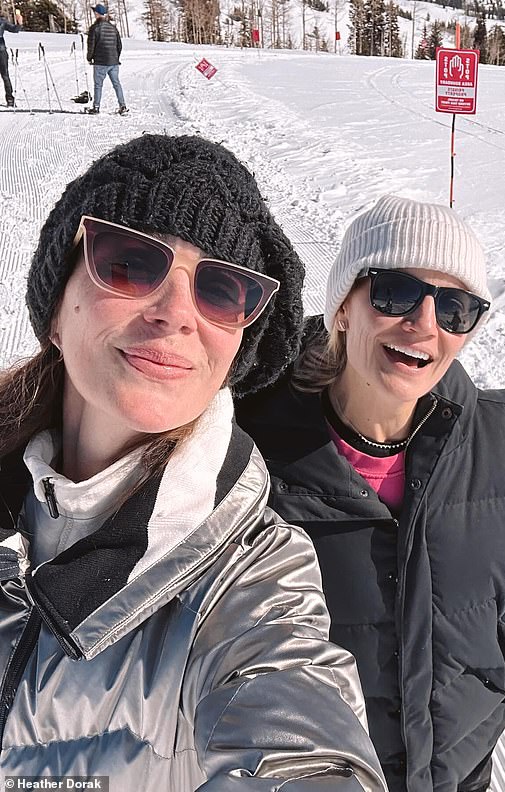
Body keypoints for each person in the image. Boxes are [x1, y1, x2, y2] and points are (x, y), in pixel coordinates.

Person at [0, 134, 388, 791]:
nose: (177, 313)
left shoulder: (254, 575)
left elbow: (298, 738)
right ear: (56, 311)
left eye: (223, 290)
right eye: (128, 263)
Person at [236, 195, 505, 792]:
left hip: (459, 769)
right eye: (395, 293)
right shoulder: (248, 446)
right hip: (313, 773)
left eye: (454, 307)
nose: (424, 324)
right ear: (343, 305)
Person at [86, 3, 127, 115]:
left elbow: (91, 45)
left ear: (97, 14)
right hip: (113, 62)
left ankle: (96, 107)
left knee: (98, 85)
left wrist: (89, 58)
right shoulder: (113, 28)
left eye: (95, 12)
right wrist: (115, 57)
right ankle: (123, 106)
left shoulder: (94, 28)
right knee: (116, 84)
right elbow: (119, 45)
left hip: (100, 62)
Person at [0, 7, 22, 107]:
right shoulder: (2, 21)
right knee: (5, 75)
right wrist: (19, 22)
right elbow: (15, 30)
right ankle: (10, 100)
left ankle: (10, 99)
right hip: (1, 50)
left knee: (5, 75)